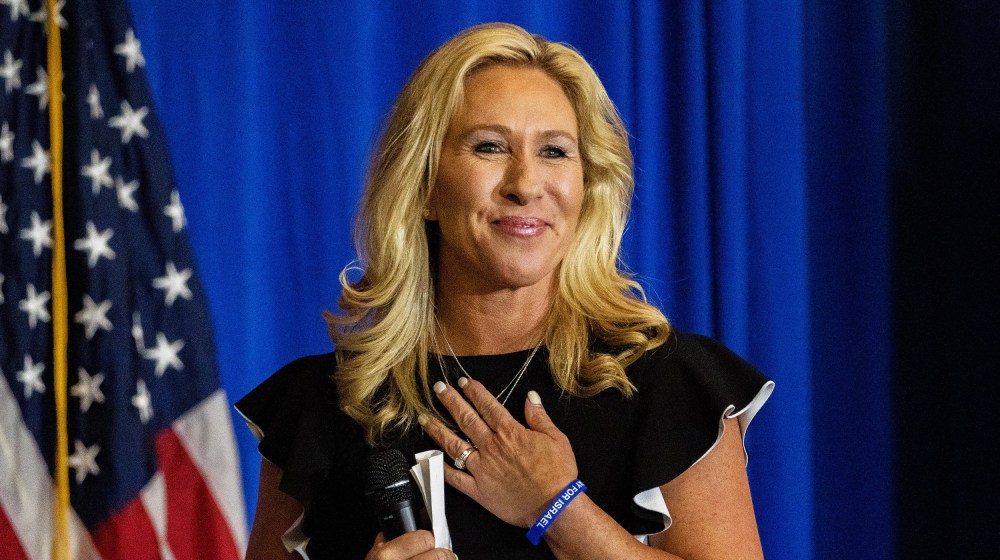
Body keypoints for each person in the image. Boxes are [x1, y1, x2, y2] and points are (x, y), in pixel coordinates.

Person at [237, 22, 773, 560]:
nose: (525, 184)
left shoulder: (667, 385)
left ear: (588, 187)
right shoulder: (326, 403)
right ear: (423, 184)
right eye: (490, 147)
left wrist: (561, 509)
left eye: (556, 152)